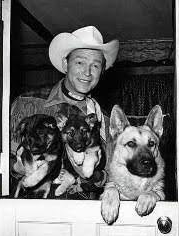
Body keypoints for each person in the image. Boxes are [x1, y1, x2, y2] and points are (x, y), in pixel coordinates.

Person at [10, 26, 119, 199]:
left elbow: (112, 179)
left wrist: (93, 176)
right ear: (65, 64)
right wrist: (19, 167)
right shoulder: (28, 103)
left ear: (102, 71)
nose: (88, 72)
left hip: (80, 216)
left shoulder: (104, 120)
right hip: (30, 212)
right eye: (80, 62)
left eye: (96, 65)